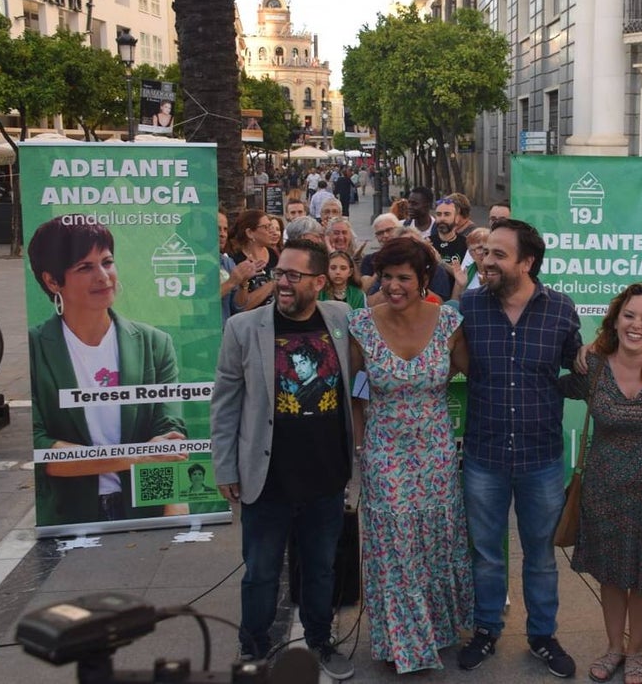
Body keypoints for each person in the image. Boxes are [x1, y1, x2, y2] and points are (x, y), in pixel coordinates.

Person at [210, 238, 356, 679]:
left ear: (319, 280)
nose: (283, 283)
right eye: (279, 274)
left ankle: (319, 642)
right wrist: (225, 466)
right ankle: (253, 647)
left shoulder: (342, 318)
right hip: (266, 477)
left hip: (326, 475)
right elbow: (226, 401)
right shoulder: (244, 328)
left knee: (320, 569)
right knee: (260, 573)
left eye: (294, 275)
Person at [457, 218, 582, 678]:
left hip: (541, 458)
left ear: (527, 263)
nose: (486, 261)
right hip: (484, 456)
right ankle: (486, 629)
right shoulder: (468, 306)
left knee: (542, 556)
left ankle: (542, 636)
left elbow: (577, 369)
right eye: (485, 253)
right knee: (487, 554)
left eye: (498, 255)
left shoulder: (561, 310)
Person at [348, 237, 473, 672]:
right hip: (384, 452)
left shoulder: (448, 322)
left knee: (435, 542)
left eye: (404, 277)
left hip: (436, 451)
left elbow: (466, 370)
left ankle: (437, 631)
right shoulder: (361, 326)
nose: (394, 286)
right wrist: (363, 448)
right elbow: (354, 394)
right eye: (386, 278)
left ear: (424, 279)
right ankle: (404, 643)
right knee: (395, 546)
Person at [557, 284, 642, 684]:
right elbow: (544, 386)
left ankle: (636, 651)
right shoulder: (592, 367)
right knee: (611, 574)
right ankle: (614, 646)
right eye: (630, 315)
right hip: (603, 488)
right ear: (616, 319)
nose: (637, 325)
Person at [27, 216, 188, 527]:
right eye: (84, 267)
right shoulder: (36, 347)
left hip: (143, 508)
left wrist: (172, 504)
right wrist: (136, 458)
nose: (103, 277)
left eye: (107, 262)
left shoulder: (154, 343)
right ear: (52, 281)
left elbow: (168, 428)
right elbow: (40, 445)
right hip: (67, 513)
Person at [229, 210, 278, 310]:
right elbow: (241, 307)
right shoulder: (236, 261)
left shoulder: (274, 254)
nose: (272, 231)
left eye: (271, 226)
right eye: (266, 227)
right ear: (250, 233)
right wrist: (272, 284)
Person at [219, 210, 259, 325]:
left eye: (225, 229)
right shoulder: (191, 262)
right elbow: (200, 302)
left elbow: (238, 307)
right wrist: (231, 282)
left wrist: (244, 282)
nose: (222, 234)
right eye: (217, 229)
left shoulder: (227, 262)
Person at [360, 213, 401, 282]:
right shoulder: (369, 260)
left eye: (389, 230)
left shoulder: (411, 255)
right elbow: (365, 289)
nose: (385, 235)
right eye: (380, 233)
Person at [432, 197, 469, 264]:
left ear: (457, 218)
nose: (442, 218)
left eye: (447, 214)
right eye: (438, 214)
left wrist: (441, 263)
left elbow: (467, 273)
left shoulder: (466, 245)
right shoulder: (426, 244)